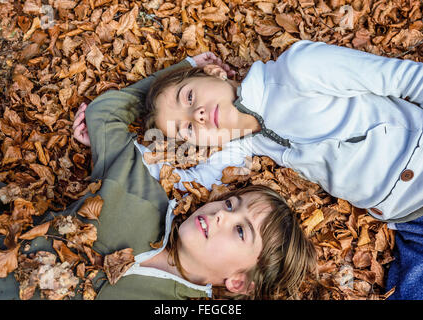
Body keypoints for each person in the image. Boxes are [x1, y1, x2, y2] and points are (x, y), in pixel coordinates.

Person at [0, 56, 316, 300]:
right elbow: (103, 114)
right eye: (230, 202)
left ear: (238, 282)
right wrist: (185, 76)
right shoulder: (144, 192)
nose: (222, 214)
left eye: (240, 230)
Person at [137, 40, 423, 300]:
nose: (196, 115)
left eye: (188, 98)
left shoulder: (298, 69)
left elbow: (408, 79)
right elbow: (184, 182)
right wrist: (106, 132)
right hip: (407, 224)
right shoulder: (249, 142)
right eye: (186, 129)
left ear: (214, 72)